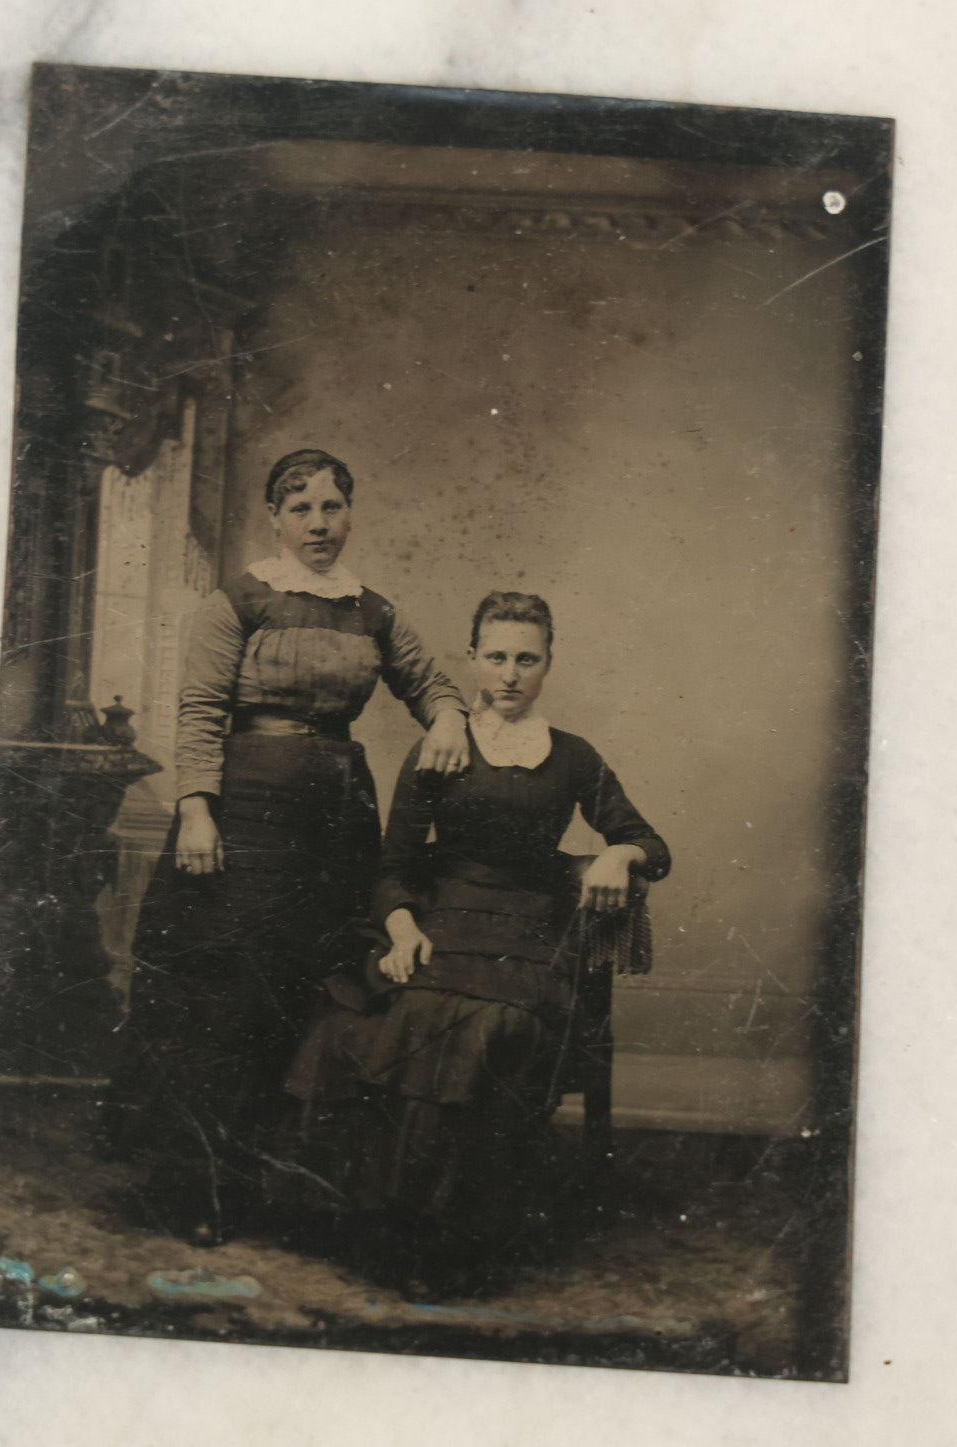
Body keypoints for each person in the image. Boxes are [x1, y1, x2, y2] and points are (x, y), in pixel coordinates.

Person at [109, 449, 469, 1243]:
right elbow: (200, 708)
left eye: (332, 507)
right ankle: (200, 1187)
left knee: (316, 989)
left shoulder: (373, 609)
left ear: (351, 514)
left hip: (337, 821)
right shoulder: (237, 600)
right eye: (301, 508)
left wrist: (445, 714)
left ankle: (289, 1188)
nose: (318, 524)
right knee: (230, 996)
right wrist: (197, 810)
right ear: (275, 517)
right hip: (246, 817)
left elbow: (432, 681)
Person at [280, 591, 671, 1291]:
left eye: (528, 658)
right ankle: (390, 1226)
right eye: (496, 657)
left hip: (531, 935)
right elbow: (393, 866)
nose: (511, 673)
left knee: (493, 1026)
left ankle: (457, 1240)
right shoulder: (441, 748)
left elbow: (651, 843)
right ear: (472, 659)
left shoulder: (574, 757)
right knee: (407, 1017)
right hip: (443, 921)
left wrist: (618, 856)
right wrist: (401, 929)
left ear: (549, 664)